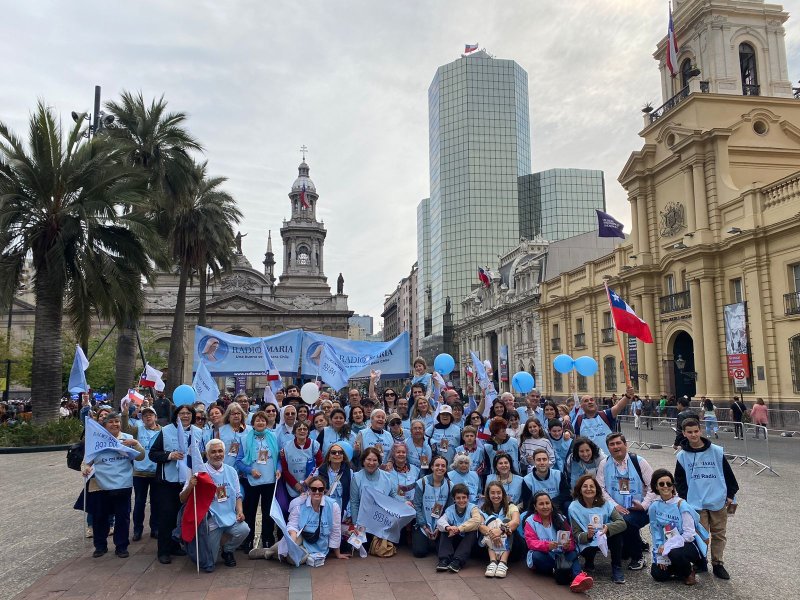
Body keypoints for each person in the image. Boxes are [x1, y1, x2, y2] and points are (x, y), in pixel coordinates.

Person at [674, 418, 739, 580]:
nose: (693, 434)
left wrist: (731, 494)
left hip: (717, 499)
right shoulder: (682, 455)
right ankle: (700, 560)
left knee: (719, 533)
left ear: (700, 431)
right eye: (689, 432)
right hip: (695, 501)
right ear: (684, 434)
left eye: (696, 431)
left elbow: (728, 473)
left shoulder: (716, 451)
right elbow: (679, 480)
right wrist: (684, 500)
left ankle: (718, 563)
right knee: (700, 534)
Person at [81, 412, 145, 558]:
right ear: (104, 425)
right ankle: (100, 546)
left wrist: (136, 444)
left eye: (117, 421)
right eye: (111, 422)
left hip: (123, 484)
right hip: (100, 485)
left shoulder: (127, 438)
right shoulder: (95, 440)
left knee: (122, 517)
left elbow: (141, 456)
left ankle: (121, 546)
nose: (115, 424)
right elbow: (86, 461)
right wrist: (86, 469)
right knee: (100, 517)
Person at [180, 439, 249, 570]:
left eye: (220, 451)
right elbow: (182, 498)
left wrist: (240, 511)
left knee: (244, 529)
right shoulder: (199, 473)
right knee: (208, 560)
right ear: (206, 454)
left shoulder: (231, 471)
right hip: (212, 521)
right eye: (213, 452)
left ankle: (227, 551)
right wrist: (190, 486)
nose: (217, 454)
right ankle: (215, 544)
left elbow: (238, 495)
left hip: (229, 516)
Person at [149, 403, 203, 564]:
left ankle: (175, 545)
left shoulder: (199, 432)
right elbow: (152, 454)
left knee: (182, 516)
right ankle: (163, 551)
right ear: (176, 415)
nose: (185, 416)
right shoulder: (165, 431)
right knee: (167, 516)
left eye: (188, 413)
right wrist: (170, 455)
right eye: (182, 413)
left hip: (189, 481)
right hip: (168, 481)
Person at [596, 432, 656, 572]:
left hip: (639, 509)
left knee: (628, 522)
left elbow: (654, 486)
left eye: (618, 443)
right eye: (612, 444)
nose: (616, 447)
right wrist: (614, 505)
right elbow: (601, 489)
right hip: (616, 509)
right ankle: (628, 547)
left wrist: (644, 505)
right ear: (608, 448)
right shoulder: (604, 464)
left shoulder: (639, 462)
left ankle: (638, 557)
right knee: (620, 530)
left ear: (625, 445)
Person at [648, 468, 708, 586]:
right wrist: (660, 556)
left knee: (674, 553)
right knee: (658, 574)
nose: (666, 486)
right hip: (666, 545)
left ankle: (688, 571)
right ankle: (677, 568)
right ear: (656, 487)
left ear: (673, 486)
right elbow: (656, 532)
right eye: (661, 484)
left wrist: (667, 547)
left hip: (688, 545)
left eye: (669, 483)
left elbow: (689, 535)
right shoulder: (654, 507)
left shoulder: (682, 505)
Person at [524, 492, 594, 593]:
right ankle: (567, 572)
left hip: (561, 555)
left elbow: (571, 541)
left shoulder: (561, 518)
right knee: (536, 556)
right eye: (541, 504)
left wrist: (567, 546)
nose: (545, 506)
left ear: (551, 504)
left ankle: (577, 577)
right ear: (535, 507)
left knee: (573, 552)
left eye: (547, 503)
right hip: (546, 556)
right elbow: (531, 543)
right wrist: (547, 546)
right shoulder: (530, 521)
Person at [568, 474, 628, 584]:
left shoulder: (606, 504)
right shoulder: (573, 507)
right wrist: (588, 535)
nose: (589, 489)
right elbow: (576, 534)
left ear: (596, 489)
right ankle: (589, 561)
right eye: (585, 486)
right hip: (587, 541)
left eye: (592, 486)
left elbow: (622, 523)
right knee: (588, 546)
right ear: (580, 490)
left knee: (617, 535)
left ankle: (617, 568)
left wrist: (608, 527)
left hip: (604, 536)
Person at [235, 410, 280, 553]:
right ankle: (248, 540)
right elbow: (239, 461)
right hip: (252, 481)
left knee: (268, 512)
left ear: (267, 423)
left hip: (270, 481)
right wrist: (250, 470)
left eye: (263, 420)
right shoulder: (245, 439)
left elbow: (279, 458)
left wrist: (279, 469)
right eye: (257, 420)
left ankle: (267, 538)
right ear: (253, 423)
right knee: (250, 511)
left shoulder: (273, 437)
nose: (260, 423)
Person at [120, 405, 161, 541]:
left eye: (150, 414)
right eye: (145, 415)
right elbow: (125, 429)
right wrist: (125, 413)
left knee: (156, 502)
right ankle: (138, 529)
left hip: (156, 472)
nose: (148, 417)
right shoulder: (137, 430)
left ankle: (155, 528)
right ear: (142, 418)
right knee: (139, 502)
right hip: (140, 473)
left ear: (155, 417)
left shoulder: (163, 431)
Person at [350, 447, 399, 538]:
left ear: (379, 462)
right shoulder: (356, 477)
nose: (371, 463)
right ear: (363, 461)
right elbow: (354, 503)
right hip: (363, 522)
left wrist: (405, 502)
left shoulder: (387, 476)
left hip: (382, 521)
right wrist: (355, 524)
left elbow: (393, 495)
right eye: (368, 459)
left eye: (374, 460)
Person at [434, 483, 483, 573]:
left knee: (472, 531)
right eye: (458, 498)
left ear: (468, 498)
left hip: (470, 544)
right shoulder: (450, 509)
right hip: (456, 541)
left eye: (464, 497)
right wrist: (448, 527)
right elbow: (440, 521)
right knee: (445, 529)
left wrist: (459, 529)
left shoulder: (473, 508)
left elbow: (477, 520)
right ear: (454, 499)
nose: (461, 500)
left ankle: (457, 561)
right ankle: (444, 560)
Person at [477, 481, 521, 578]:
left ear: (503, 494)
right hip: (489, 548)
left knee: (506, 523)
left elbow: (516, 522)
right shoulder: (483, 508)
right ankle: (492, 562)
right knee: (491, 523)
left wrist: (500, 530)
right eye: (492, 493)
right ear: (488, 495)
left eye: (499, 493)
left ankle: (503, 563)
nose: (496, 495)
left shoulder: (511, 506)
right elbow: (480, 525)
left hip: (512, 548)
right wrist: (493, 532)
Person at [573, 386, 633, 455]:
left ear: (595, 403)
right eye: (586, 401)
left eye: (591, 400)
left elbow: (618, 406)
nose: (590, 402)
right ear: (581, 406)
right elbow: (577, 442)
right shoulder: (579, 420)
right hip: (589, 462)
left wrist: (627, 396)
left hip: (609, 460)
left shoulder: (605, 414)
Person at [412, 455, 452, 558]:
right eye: (437, 465)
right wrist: (424, 526)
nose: (440, 468)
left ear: (446, 468)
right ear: (432, 467)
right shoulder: (422, 483)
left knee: (442, 552)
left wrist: (440, 527)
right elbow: (417, 505)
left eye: (443, 466)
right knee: (419, 552)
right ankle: (425, 539)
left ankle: (433, 541)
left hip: (440, 525)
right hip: (423, 524)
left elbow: (449, 509)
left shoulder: (449, 484)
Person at [280, 421, 323, 500]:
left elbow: (320, 465)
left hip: (312, 486)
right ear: (294, 432)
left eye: (305, 429)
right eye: (299, 429)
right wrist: (296, 485)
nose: (302, 431)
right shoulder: (286, 447)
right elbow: (285, 470)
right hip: (293, 487)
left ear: (308, 432)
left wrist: (310, 479)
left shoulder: (315, 445)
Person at [523, 449, 571, 514]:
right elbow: (527, 503)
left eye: (544, 459)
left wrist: (551, 503)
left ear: (548, 461)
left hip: (557, 508)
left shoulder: (558, 474)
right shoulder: (527, 480)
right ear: (534, 462)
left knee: (568, 505)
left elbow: (566, 494)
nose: (542, 462)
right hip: (538, 511)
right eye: (538, 460)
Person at [219, 402, 249, 468]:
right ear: (228, 416)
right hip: (227, 467)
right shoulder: (221, 431)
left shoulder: (250, 430)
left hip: (245, 469)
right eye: (233, 414)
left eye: (238, 413)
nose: (236, 416)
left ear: (242, 415)